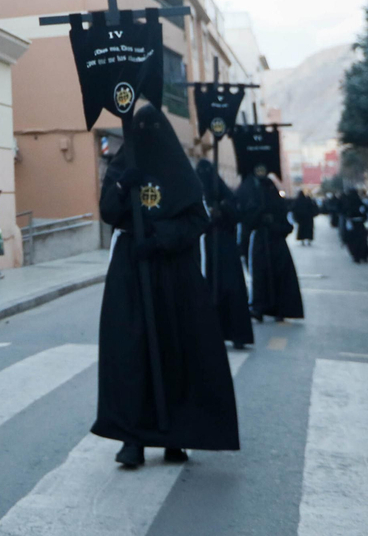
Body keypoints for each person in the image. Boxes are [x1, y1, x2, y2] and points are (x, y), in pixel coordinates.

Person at [94, 104, 238, 469]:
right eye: (140, 127)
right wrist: (126, 182)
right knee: (131, 352)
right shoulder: (123, 166)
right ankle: (133, 438)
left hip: (174, 272)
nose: (146, 132)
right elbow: (109, 211)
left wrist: (159, 238)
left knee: (177, 348)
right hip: (131, 271)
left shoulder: (180, 173)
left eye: (152, 126)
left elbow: (197, 220)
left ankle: (177, 436)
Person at [195, 160, 253, 350]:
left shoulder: (225, 194)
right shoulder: (195, 192)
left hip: (224, 249)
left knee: (231, 289)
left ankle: (236, 333)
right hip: (204, 249)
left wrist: (223, 210)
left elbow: (237, 215)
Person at [244, 170, 304, 322]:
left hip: (275, 242)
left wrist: (273, 224)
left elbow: (286, 225)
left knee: (278, 276)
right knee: (260, 275)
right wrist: (260, 215)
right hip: (261, 242)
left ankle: (279, 308)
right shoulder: (255, 201)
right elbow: (248, 221)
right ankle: (259, 307)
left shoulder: (276, 203)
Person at [339, 187, 368, 263]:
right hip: (360, 224)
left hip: (352, 224)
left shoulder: (347, 202)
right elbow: (365, 212)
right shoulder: (360, 202)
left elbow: (343, 211)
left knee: (352, 241)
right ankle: (363, 255)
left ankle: (356, 256)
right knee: (362, 241)